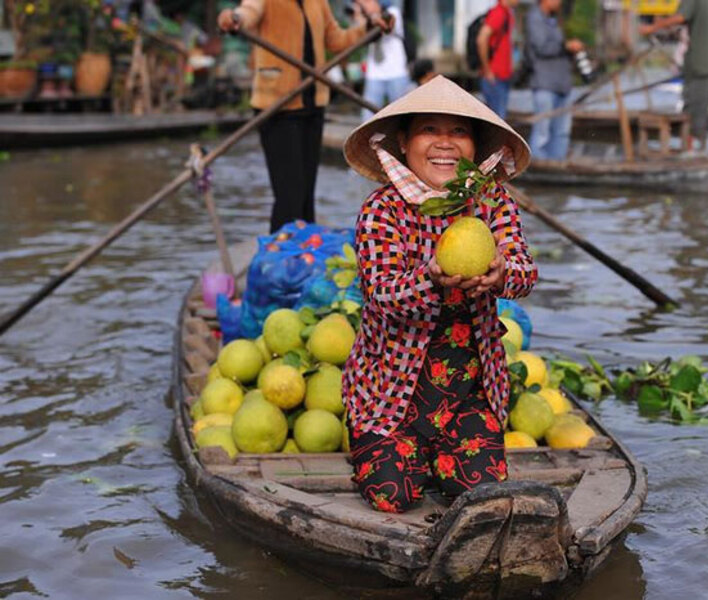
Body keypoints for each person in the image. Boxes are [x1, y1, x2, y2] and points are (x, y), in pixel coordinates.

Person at [341, 76, 536, 513]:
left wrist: (503, 273)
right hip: (389, 394)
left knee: (481, 494)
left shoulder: (493, 203)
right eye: (430, 129)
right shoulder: (382, 210)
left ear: (475, 147)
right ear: (406, 142)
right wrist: (430, 276)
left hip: (468, 394)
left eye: (459, 132)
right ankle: (385, 443)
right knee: (392, 497)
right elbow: (382, 294)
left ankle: (441, 450)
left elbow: (525, 272)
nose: (444, 144)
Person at [217, 0, 389, 233]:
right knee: (290, 194)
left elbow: (336, 39)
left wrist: (369, 28)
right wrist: (235, 18)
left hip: (312, 104)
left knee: (306, 193)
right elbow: (249, 12)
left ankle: (304, 250)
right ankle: (281, 252)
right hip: (278, 105)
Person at [639, 0, 708, 157]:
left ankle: (691, 150)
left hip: (702, 62)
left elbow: (680, 17)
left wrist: (652, 28)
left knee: (695, 105)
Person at [524, 0, 584, 161]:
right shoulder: (535, 18)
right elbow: (542, 47)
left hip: (561, 83)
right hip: (545, 83)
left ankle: (557, 163)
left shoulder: (552, 19)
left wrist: (568, 48)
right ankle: (539, 164)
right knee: (542, 130)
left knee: (561, 130)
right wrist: (567, 46)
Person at [355, 0, 412, 120]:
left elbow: (389, 22)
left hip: (397, 72)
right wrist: (361, 18)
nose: (363, 6)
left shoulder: (392, 11)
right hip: (374, 74)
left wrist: (373, 18)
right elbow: (358, 37)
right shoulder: (364, 18)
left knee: (402, 116)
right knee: (368, 118)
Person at [477, 0, 519, 118]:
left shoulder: (507, 13)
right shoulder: (498, 13)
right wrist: (487, 70)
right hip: (494, 77)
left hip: (502, 76)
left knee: (500, 118)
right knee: (497, 121)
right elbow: (482, 39)